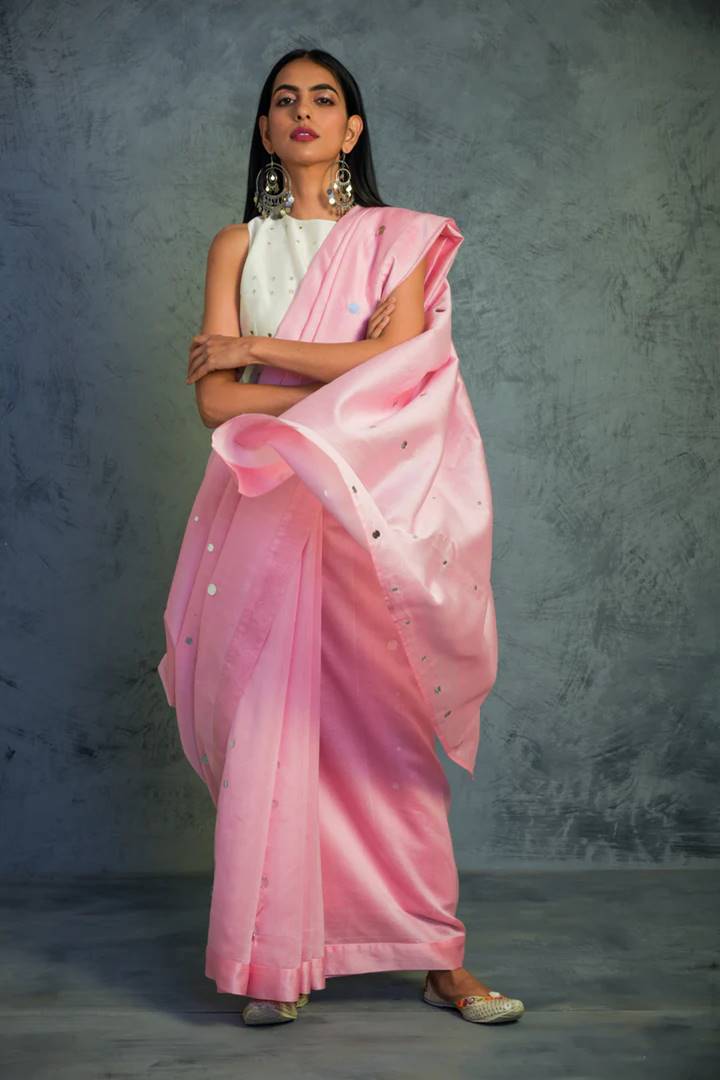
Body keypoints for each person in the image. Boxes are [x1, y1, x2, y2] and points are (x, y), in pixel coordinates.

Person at [159, 46, 525, 1028]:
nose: (304, 111)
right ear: (266, 130)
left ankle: (438, 957)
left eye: (324, 99)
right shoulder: (236, 246)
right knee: (272, 727)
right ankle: (274, 960)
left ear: (352, 128)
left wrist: (257, 348)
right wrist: (333, 374)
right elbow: (214, 403)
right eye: (285, 100)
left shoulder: (397, 243)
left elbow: (398, 371)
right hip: (263, 507)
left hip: (367, 509)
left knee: (388, 735)